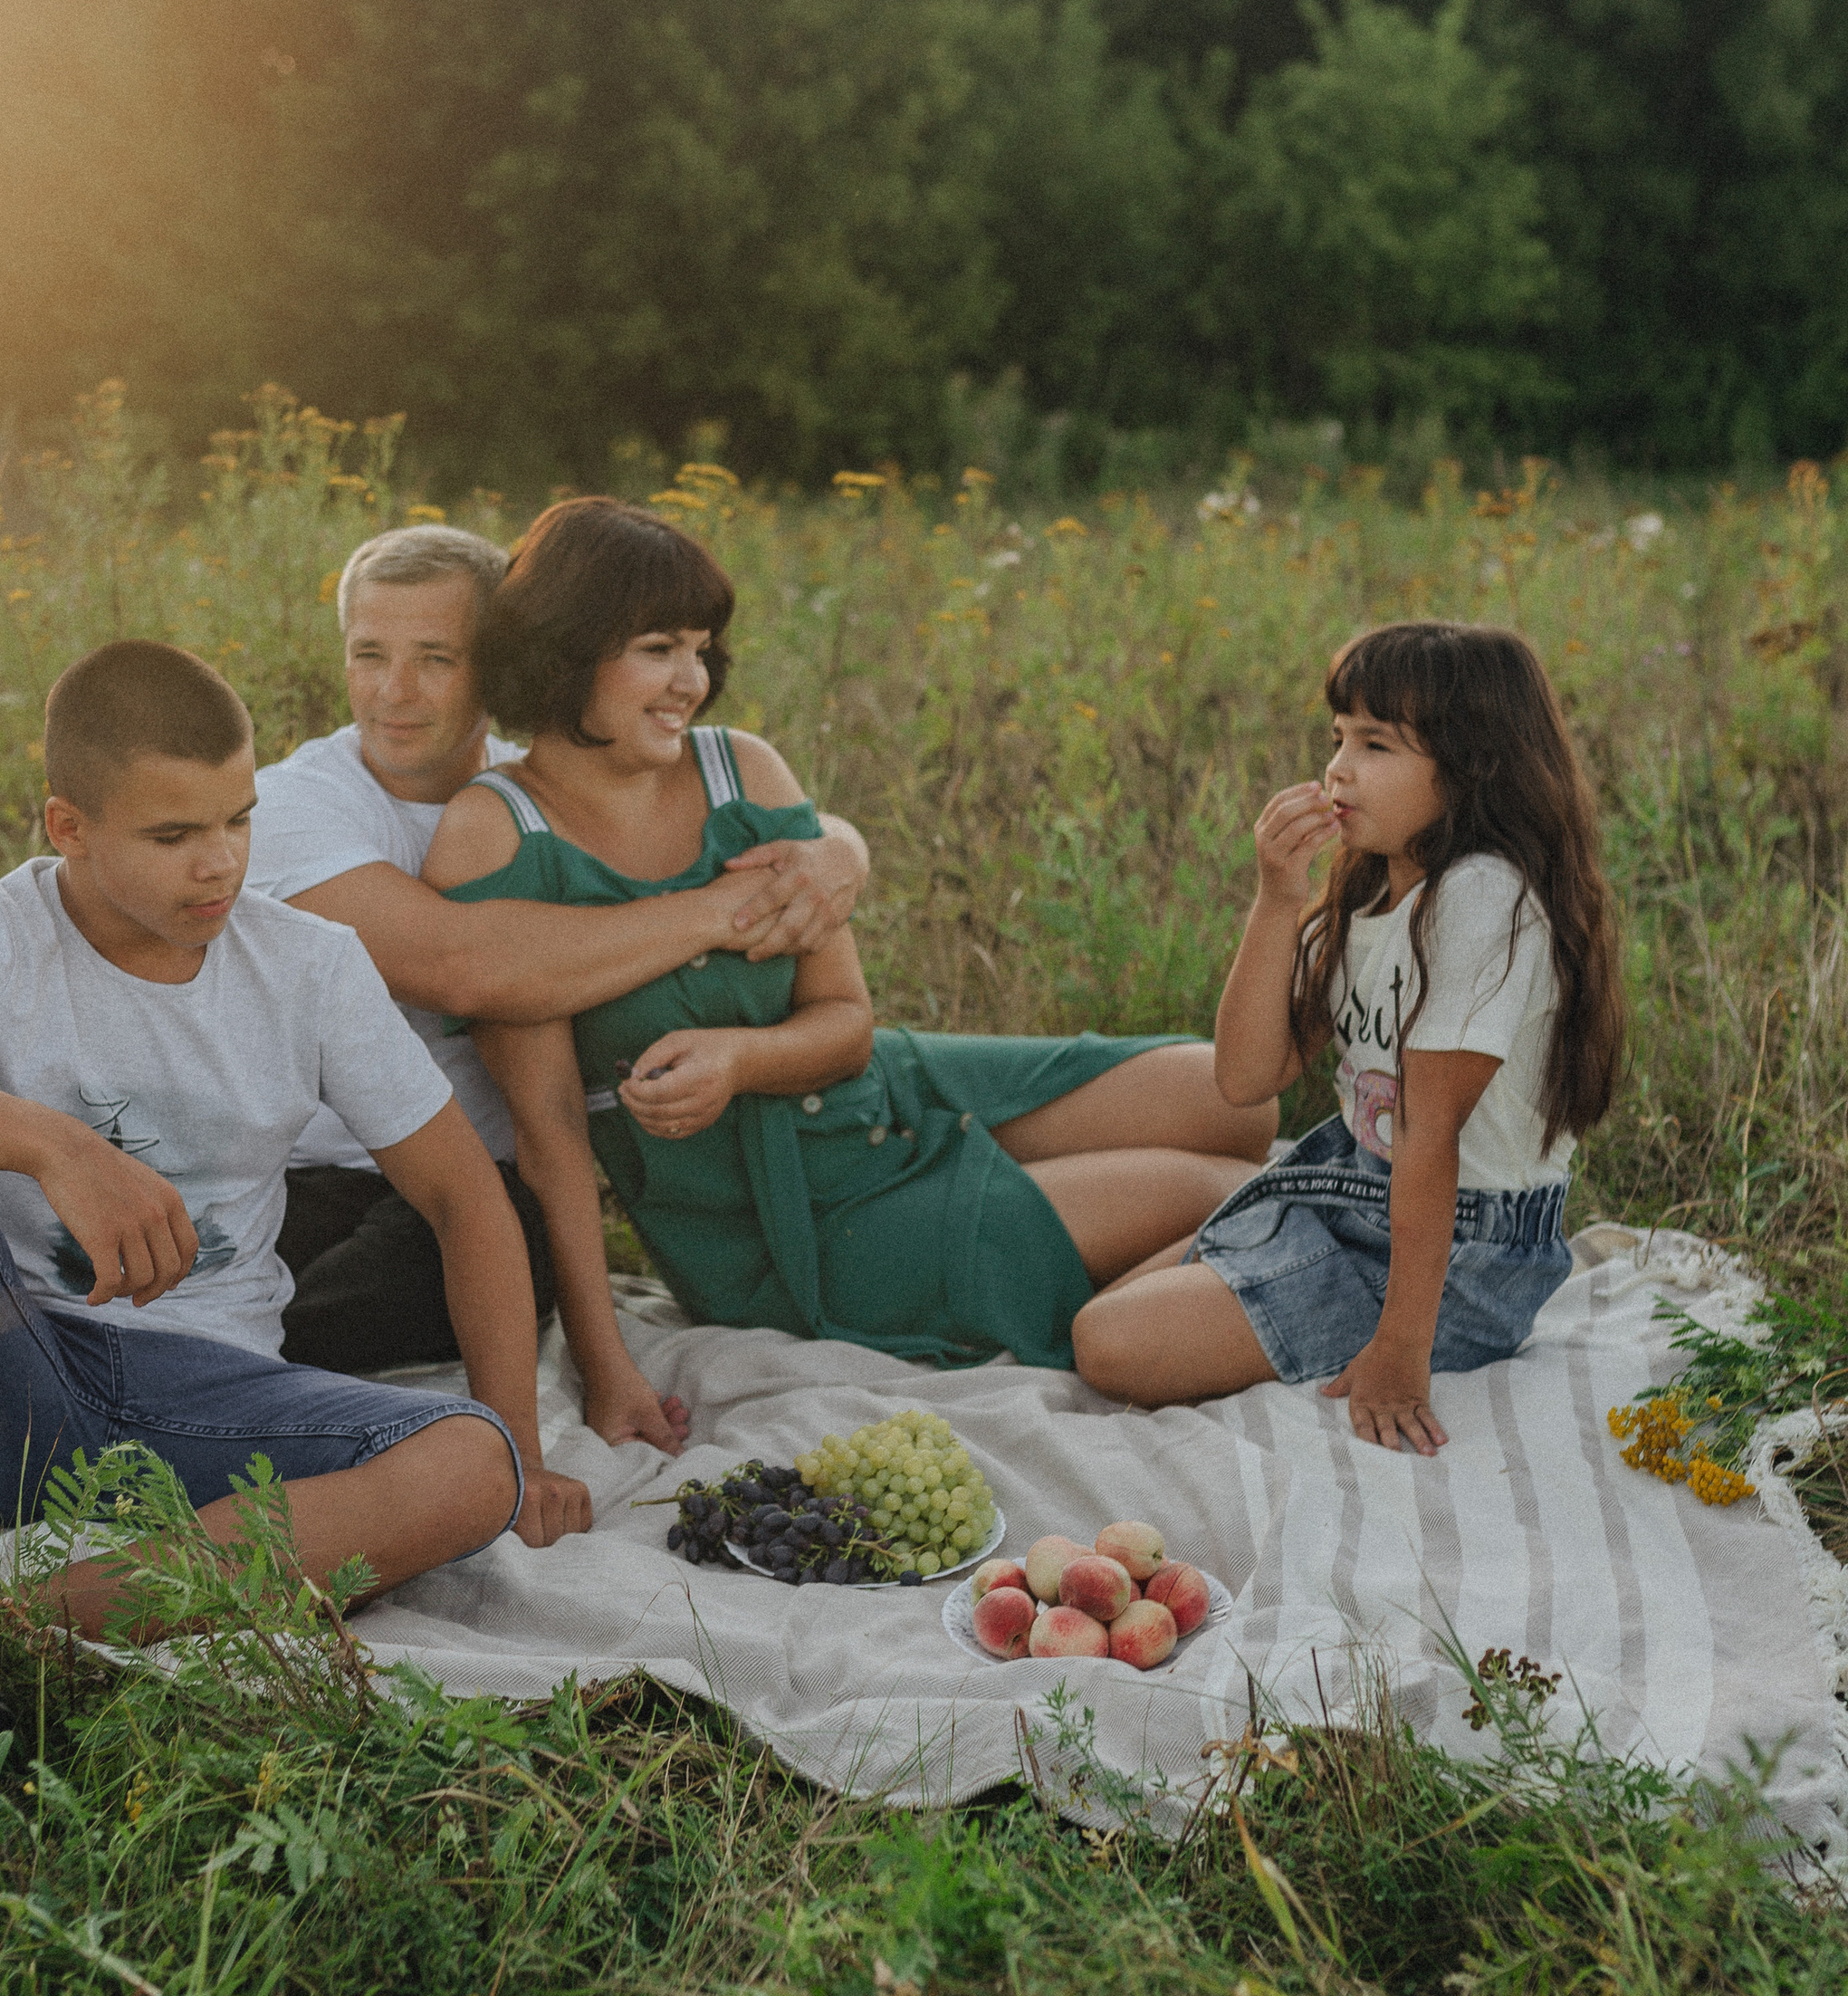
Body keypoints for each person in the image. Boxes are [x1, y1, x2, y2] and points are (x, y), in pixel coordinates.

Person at [0, 638, 589, 1764]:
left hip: (204, 1403)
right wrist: (56, 1148)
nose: (220, 864)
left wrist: (523, 1444)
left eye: (239, 820)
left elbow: (465, 1199)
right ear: (68, 826)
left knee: (471, 1465)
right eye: (174, 835)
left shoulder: (309, 963)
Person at [419, 499, 1277, 1450]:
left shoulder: (741, 769)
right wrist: (606, 1364)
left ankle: (1077, 1253)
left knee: (1234, 1102)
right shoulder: (496, 835)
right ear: (567, 648)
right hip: (794, 1220)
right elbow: (549, 1134)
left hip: (879, 1088)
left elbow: (845, 1023)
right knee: (1214, 1192)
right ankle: (1120, 1307)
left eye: (699, 649)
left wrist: (742, 1059)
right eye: (658, 649)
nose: (691, 682)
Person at [248, 523, 871, 1371]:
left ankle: (228, 1395)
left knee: (401, 1291)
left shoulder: (536, 792)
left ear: (501, 663)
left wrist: (839, 848)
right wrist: (725, 908)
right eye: (369, 654)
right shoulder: (296, 808)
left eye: (436, 658)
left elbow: (694, 809)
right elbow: (462, 967)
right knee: (209, 1295)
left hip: (481, 1176)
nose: (395, 691)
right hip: (317, 1164)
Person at [1072, 621, 1624, 1454]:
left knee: (1107, 1343)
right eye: (1337, 738)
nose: (1337, 768)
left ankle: (1381, 1318)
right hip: (1358, 1186)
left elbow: (1429, 1135)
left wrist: (1401, 1351)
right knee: (1102, 1311)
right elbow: (1246, 1076)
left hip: (1467, 1251)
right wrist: (1275, 897)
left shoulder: (1482, 898)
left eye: (1375, 744)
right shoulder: (1371, 888)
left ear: (1472, 764)